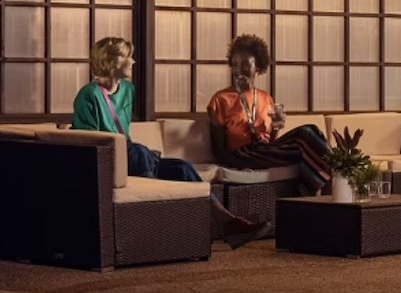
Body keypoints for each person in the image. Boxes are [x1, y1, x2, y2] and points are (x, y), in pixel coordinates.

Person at [72, 36, 270, 249]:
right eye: (129, 57)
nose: (133, 62)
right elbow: (88, 141)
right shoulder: (88, 95)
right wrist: (127, 151)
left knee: (182, 168)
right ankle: (149, 225)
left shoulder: (128, 90)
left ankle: (229, 222)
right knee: (139, 152)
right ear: (113, 61)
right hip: (107, 161)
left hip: (130, 157)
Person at [206, 35, 331, 196]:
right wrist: (238, 164)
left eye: (245, 64)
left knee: (312, 133)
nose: (239, 69)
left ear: (258, 67)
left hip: (263, 149)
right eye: (235, 64)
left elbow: (270, 142)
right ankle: (320, 193)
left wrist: (277, 127)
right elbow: (218, 150)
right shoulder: (220, 99)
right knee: (306, 136)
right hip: (241, 154)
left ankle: (317, 193)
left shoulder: (265, 98)